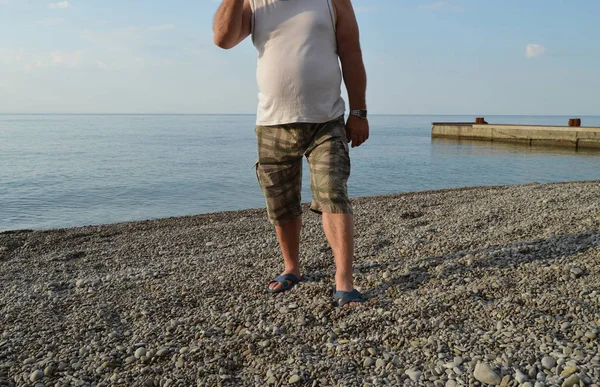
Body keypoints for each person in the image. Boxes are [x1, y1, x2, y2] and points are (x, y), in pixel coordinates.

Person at [213, 0, 369, 307]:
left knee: (333, 193)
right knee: (281, 201)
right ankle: (292, 267)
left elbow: (351, 51)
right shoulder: (253, 3)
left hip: (326, 120)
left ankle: (344, 280)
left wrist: (359, 111)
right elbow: (223, 39)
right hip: (272, 121)